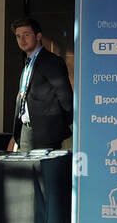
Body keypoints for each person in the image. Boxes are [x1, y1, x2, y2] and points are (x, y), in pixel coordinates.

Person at [8, 17, 73, 151]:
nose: (22, 40)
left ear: (38, 36)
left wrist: (58, 128)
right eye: (18, 36)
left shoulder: (52, 61)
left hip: (47, 134)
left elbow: (66, 99)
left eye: (26, 35)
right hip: (26, 131)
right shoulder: (28, 62)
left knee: (44, 171)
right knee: (27, 171)